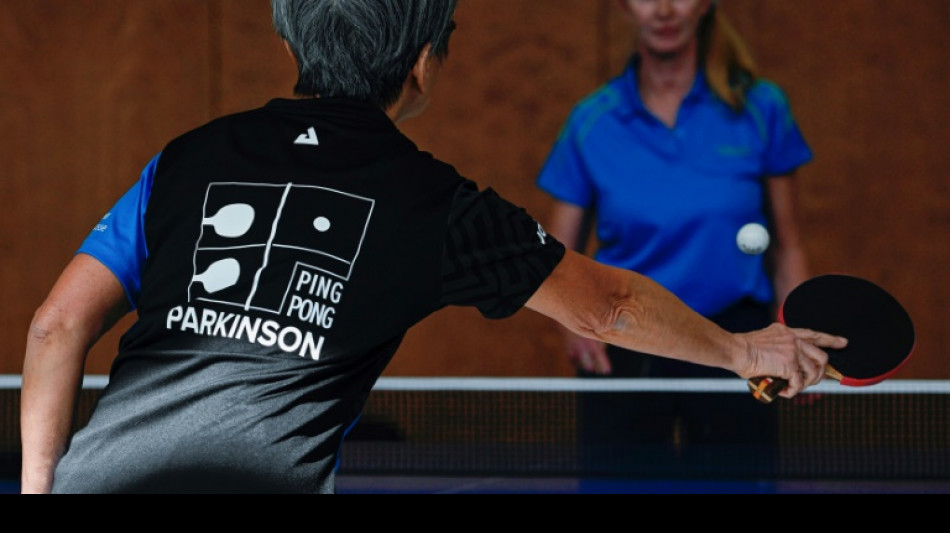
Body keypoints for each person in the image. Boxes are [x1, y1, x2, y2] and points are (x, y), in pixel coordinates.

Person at [20, 0, 843, 494]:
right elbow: (610, 304)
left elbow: (56, 328)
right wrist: (741, 350)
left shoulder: (188, 158)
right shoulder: (435, 203)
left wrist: (38, 486)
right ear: (422, 64)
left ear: (291, 41)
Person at [536, 0, 814, 476]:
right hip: (629, 336)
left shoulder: (761, 107)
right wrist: (572, 329)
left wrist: (798, 339)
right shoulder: (591, 121)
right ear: (625, 7)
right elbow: (555, 255)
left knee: (739, 487)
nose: (664, 9)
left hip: (738, 338)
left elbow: (787, 245)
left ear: (705, 5)